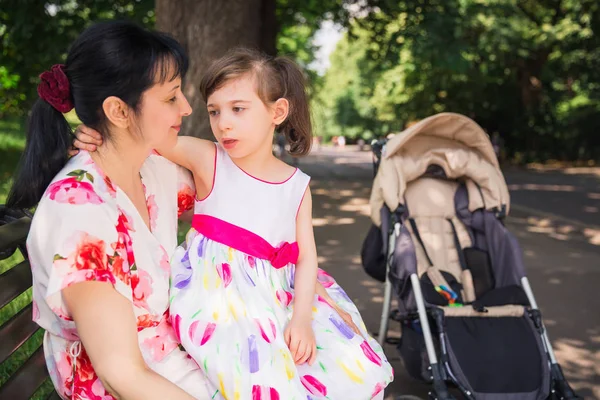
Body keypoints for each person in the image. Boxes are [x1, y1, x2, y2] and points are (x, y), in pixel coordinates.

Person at [79, 48, 394, 399]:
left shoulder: (296, 185)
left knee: (347, 365)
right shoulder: (209, 157)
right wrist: (99, 135)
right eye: (214, 111)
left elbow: (306, 258)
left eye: (238, 109)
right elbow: (145, 136)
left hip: (281, 292)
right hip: (221, 296)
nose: (223, 123)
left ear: (277, 112)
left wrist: (302, 318)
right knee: (262, 377)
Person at [6, 21, 212, 399]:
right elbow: (121, 373)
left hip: (169, 355)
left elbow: (228, 187)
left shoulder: (151, 171)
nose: (185, 107)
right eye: (170, 98)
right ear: (118, 110)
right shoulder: (79, 212)